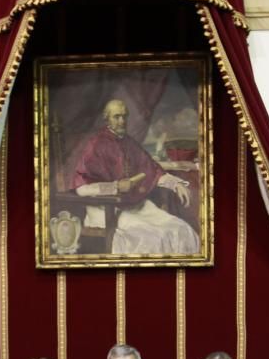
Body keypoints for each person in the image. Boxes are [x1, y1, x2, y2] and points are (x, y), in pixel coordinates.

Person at [72, 99, 200, 255]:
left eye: (124, 116)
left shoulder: (129, 143)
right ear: (107, 118)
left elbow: (152, 170)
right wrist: (116, 187)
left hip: (136, 206)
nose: (122, 121)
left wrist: (175, 184)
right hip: (106, 210)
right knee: (152, 237)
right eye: (116, 116)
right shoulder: (95, 145)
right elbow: (82, 189)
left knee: (182, 229)